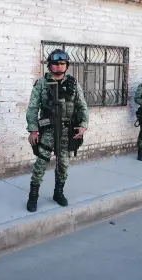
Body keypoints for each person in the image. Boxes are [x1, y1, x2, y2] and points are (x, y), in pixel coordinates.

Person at [25, 49, 89, 212]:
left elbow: (82, 106)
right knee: (40, 164)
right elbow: (33, 107)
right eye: (55, 64)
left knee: (63, 165)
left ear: (66, 65)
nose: (59, 67)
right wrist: (33, 130)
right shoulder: (41, 83)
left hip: (67, 132)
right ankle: (33, 197)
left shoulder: (74, 83)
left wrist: (83, 125)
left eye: (62, 63)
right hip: (48, 130)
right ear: (50, 65)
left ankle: (58, 193)